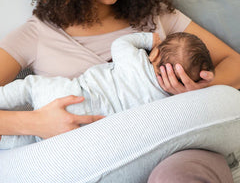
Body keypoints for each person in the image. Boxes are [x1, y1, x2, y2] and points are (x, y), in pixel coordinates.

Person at [0, 0, 239, 182]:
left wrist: (194, 89)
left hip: (176, 151)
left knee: (182, 171)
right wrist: (36, 122)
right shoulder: (36, 35)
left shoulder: (155, 14)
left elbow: (235, 63)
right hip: (91, 154)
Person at [0, 32, 215, 149]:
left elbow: (120, 43)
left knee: (29, 86)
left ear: (155, 54)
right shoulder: (163, 103)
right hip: (85, 130)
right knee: (32, 141)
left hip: (72, 94)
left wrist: (148, 39)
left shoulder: (135, 60)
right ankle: (5, 143)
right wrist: (193, 95)